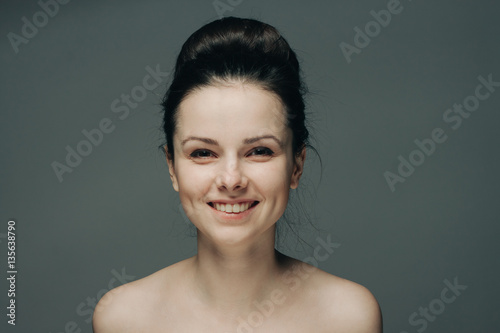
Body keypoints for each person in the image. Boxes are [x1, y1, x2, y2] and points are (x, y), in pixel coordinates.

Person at [93, 16, 382, 332]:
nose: (231, 180)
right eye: (203, 153)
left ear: (296, 165)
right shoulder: (123, 318)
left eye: (259, 151)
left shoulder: (348, 317)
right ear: (172, 167)